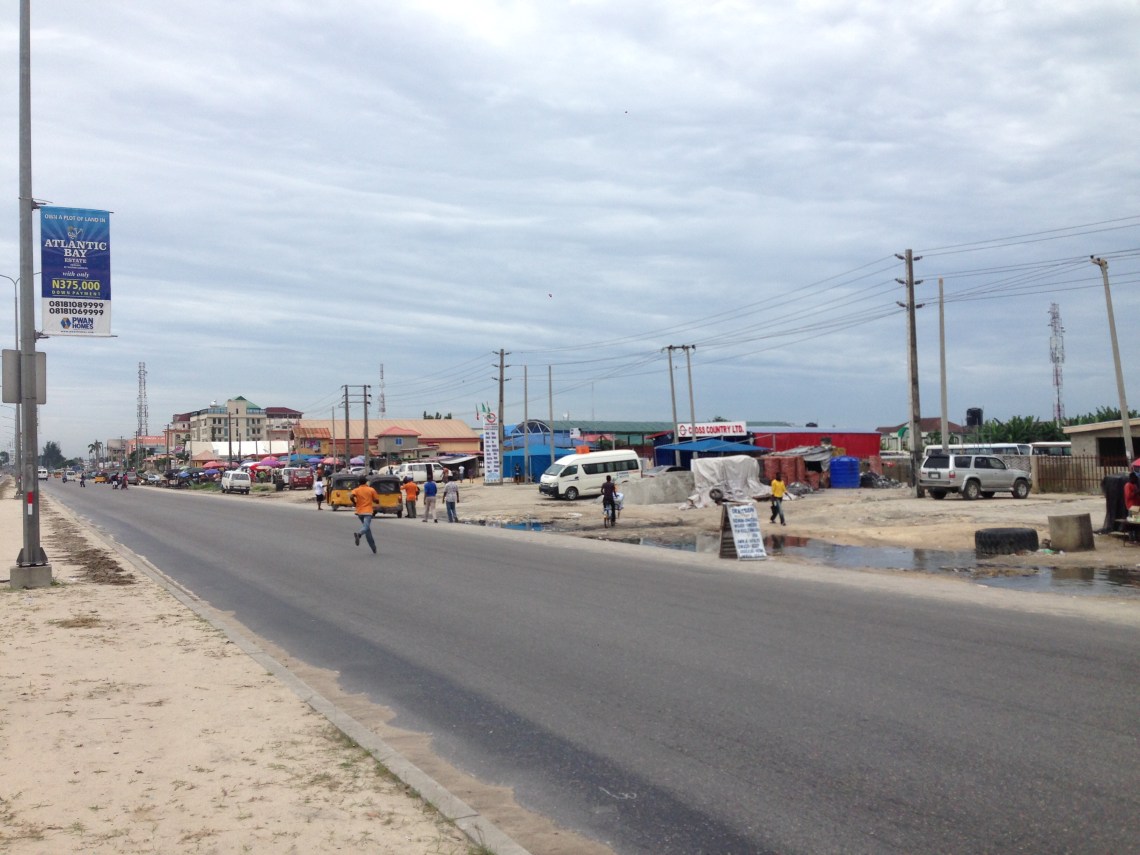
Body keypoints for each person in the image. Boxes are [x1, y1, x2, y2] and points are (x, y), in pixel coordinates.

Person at [349, 476, 382, 554]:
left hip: (360, 512)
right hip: (368, 511)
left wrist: (354, 503)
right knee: (366, 527)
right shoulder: (371, 489)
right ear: (366, 482)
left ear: (359, 482)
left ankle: (373, 548)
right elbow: (376, 500)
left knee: (367, 530)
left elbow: (351, 496)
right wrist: (375, 501)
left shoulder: (356, 490)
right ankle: (359, 534)